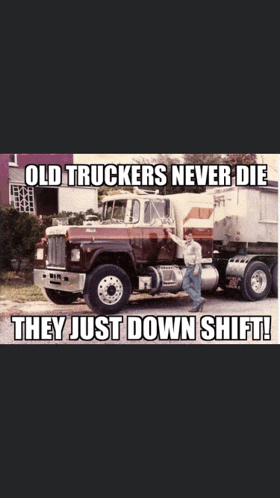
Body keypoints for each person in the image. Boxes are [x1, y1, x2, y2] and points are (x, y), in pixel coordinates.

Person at [166, 228, 206, 312]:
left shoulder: (196, 245)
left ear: (192, 236)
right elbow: (177, 240)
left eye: (190, 235)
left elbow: (199, 257)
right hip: (188, 268)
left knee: (197, 288)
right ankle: (199, 300)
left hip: (195, 267)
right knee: (185, 286)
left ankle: (196, 307)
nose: (189, 237)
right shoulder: (184, 244)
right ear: (185, 236)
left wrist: (196, 269)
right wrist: (170, 233)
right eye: (187, 235)